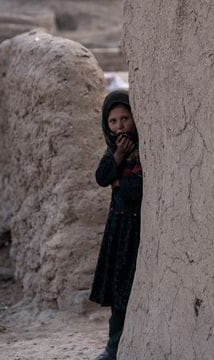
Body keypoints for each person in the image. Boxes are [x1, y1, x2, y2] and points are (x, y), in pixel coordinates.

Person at [89, 90, 142, 360]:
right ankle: (113, 348)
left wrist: (120, 181)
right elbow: (102, 177)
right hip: (118, 229)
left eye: (125, 118)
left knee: (132, 288)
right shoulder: (114, 151)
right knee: (119, 291)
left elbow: (139, 188)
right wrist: (118, 157)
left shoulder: (143, 149)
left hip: (137, 228)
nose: (120, 126)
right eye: (113, 121)